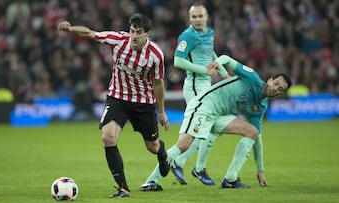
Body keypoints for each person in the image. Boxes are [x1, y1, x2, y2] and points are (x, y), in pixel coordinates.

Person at [57, 13, 170, 198]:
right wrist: (70, 29)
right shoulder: (118, 40)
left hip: (143, 103)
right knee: (108, 137)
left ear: (147, 34)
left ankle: (162, 152)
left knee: (152, 146)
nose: (134, 36)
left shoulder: (156, 55)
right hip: (117, 98)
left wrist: (162, 111)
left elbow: (158, 83)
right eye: (132, 31)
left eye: (139, 32)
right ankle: (123, 188)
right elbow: (90, 34)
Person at [149, 54, 292, 189]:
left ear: (280, 94)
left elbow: (258, 138)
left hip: (219, 115)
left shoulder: (261, 107)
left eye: (280, 89)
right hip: (205, 105)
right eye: (276, 83)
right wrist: (217, 63)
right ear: (270, 80)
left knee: (252, 132)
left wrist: (260, 170)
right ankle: (151, 180)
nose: (275, 88)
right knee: (184, 144)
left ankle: (230, 178)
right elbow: (227, 59)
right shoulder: (252, 77)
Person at [140, 3, 233, 191]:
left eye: (200, 16)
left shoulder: (209, 33)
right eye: (194, 17)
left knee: (202, 132)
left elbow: (210, 54)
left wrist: (223, 72)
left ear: (207, 17)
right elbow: (178, 61)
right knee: (193, 136)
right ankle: (166, 172)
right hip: (194, 86)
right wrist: (203, 70)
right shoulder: (187, 36)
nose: (197, 20)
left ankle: (183, 164)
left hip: (205, 86)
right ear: (189, 18)